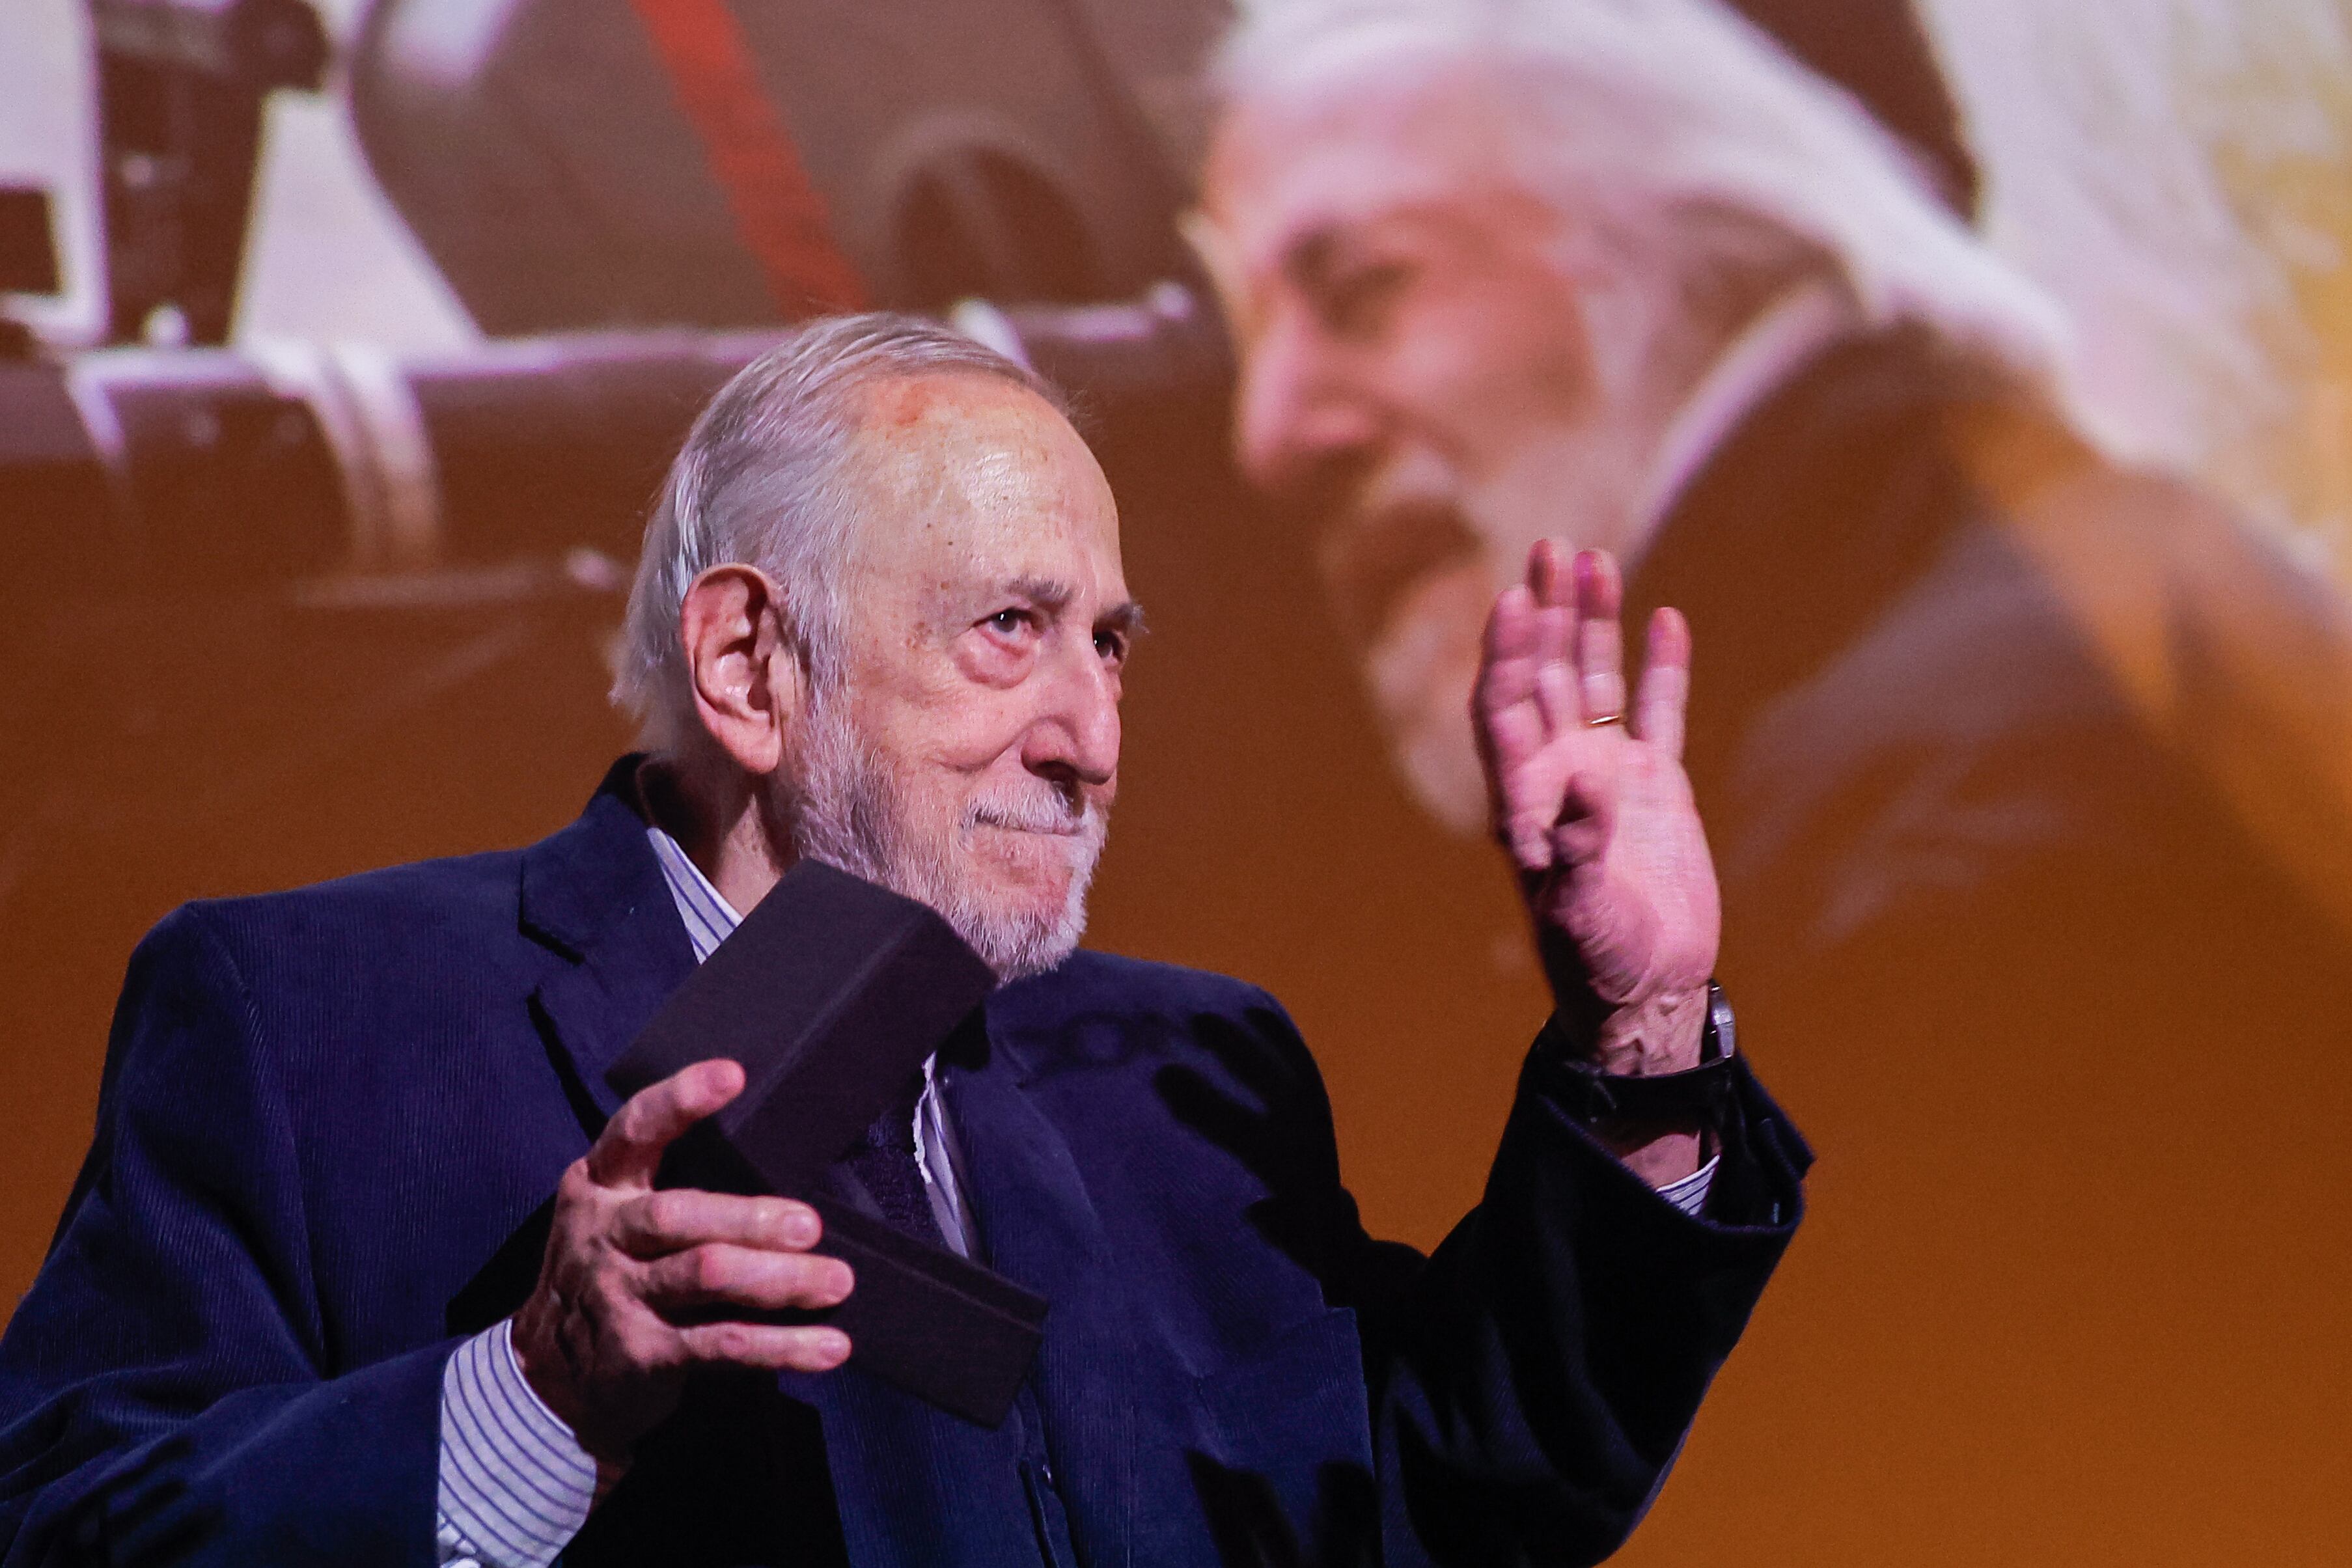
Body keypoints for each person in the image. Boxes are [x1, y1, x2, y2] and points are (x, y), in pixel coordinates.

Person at [0, 315, 1806, 1567]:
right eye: (1008, 628)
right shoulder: (314, 1017)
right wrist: (533, 1396)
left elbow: (1444, 1502)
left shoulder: (1188, 1070)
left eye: (1109, 641)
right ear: (747, 666)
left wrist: (1638, 1022)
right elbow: (68, 1527)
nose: (1089, 730)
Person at [1192, 0, 2352, 1546]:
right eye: (1247, 331)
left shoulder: (1951, 805)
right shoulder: (2021, 601)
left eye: (1369, 286)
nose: (1271, 431)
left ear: (1717, 245)